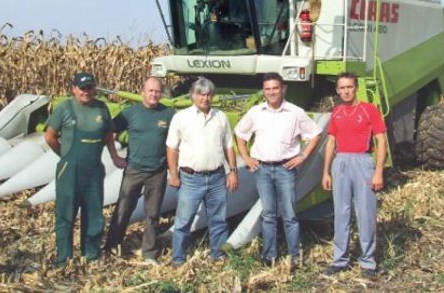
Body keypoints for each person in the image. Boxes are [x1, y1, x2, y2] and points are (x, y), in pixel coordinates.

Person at [235, 72, 321, 268]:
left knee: (290, 215)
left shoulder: (295, 113)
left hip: (285, 169)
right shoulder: (256, 112)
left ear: (283, 89)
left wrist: (302, 156)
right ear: (263, 91)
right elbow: (240, 134)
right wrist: (246, 157)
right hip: (262, 170)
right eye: (268, 89)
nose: (272, 92)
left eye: (275, 88)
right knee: (268, 215)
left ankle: (295, 257)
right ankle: (269, 256)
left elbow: (315, 134)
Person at [44, 72, 117, 268]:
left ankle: (91, 256)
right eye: (82, 88)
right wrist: (65, 155)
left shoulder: (101, 108)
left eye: (90, 88)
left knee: (94, 215)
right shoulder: (65, 108)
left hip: (94, 171)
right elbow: (50, 136)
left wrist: (115, 157)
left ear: (94, 89)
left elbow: (108, 135)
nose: (86, 92)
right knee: (65, 215)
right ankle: (64, 259)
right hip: (69, 172)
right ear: (74, 89)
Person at [166, 77, 239, 266]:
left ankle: (218, 254)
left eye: (208, 94)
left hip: (217, 177)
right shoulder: (181, 117)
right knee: (184, 220)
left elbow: (228, 146)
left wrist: (232, 171)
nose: (205, 98)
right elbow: (172, 148)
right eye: (200, 94)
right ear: (192, 95)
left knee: (218, 219)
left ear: (212, 96)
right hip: (191, 178)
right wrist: (173, 174)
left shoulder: (220, 116)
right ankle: (178, 258)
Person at [321, 72, 387, 279]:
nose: (346, 91)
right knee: (341, 212)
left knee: (365, 212)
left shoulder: (369, 110)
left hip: (363, 162)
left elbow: (381, 141)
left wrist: (378, 172)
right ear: (337, 90)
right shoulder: (337, 112)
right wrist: (326, 172)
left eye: (349, 87)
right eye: (342, 88)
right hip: (341, 162)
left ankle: (368, 262)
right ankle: (340, 260)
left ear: (356, 88)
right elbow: (331, 142)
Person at [103, 77, 175, 265]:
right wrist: (114, 156)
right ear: (143, 92)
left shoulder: (168, 114)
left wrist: (175, 169)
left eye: (157, 91)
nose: (154, 94)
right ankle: (112, 246)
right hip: (133, 170)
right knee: (123, 209)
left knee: (152, 214)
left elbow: (177, 142)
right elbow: (108, 131)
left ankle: (149, 252)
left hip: (158, 172)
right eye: (150, 91)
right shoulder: (130, 112)